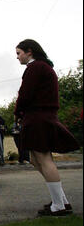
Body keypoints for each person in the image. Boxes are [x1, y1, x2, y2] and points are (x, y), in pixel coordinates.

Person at [14, 39, 79, 216]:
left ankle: (59, 205)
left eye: (19, 53)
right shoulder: (44, 67)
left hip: (38, 117)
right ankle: (61, 200)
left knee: (43, 158)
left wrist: (17, 111)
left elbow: (25, 94)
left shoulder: (35, 68)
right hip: (41, 116)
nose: (17, 57)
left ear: (30, 51)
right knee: (36, 159)